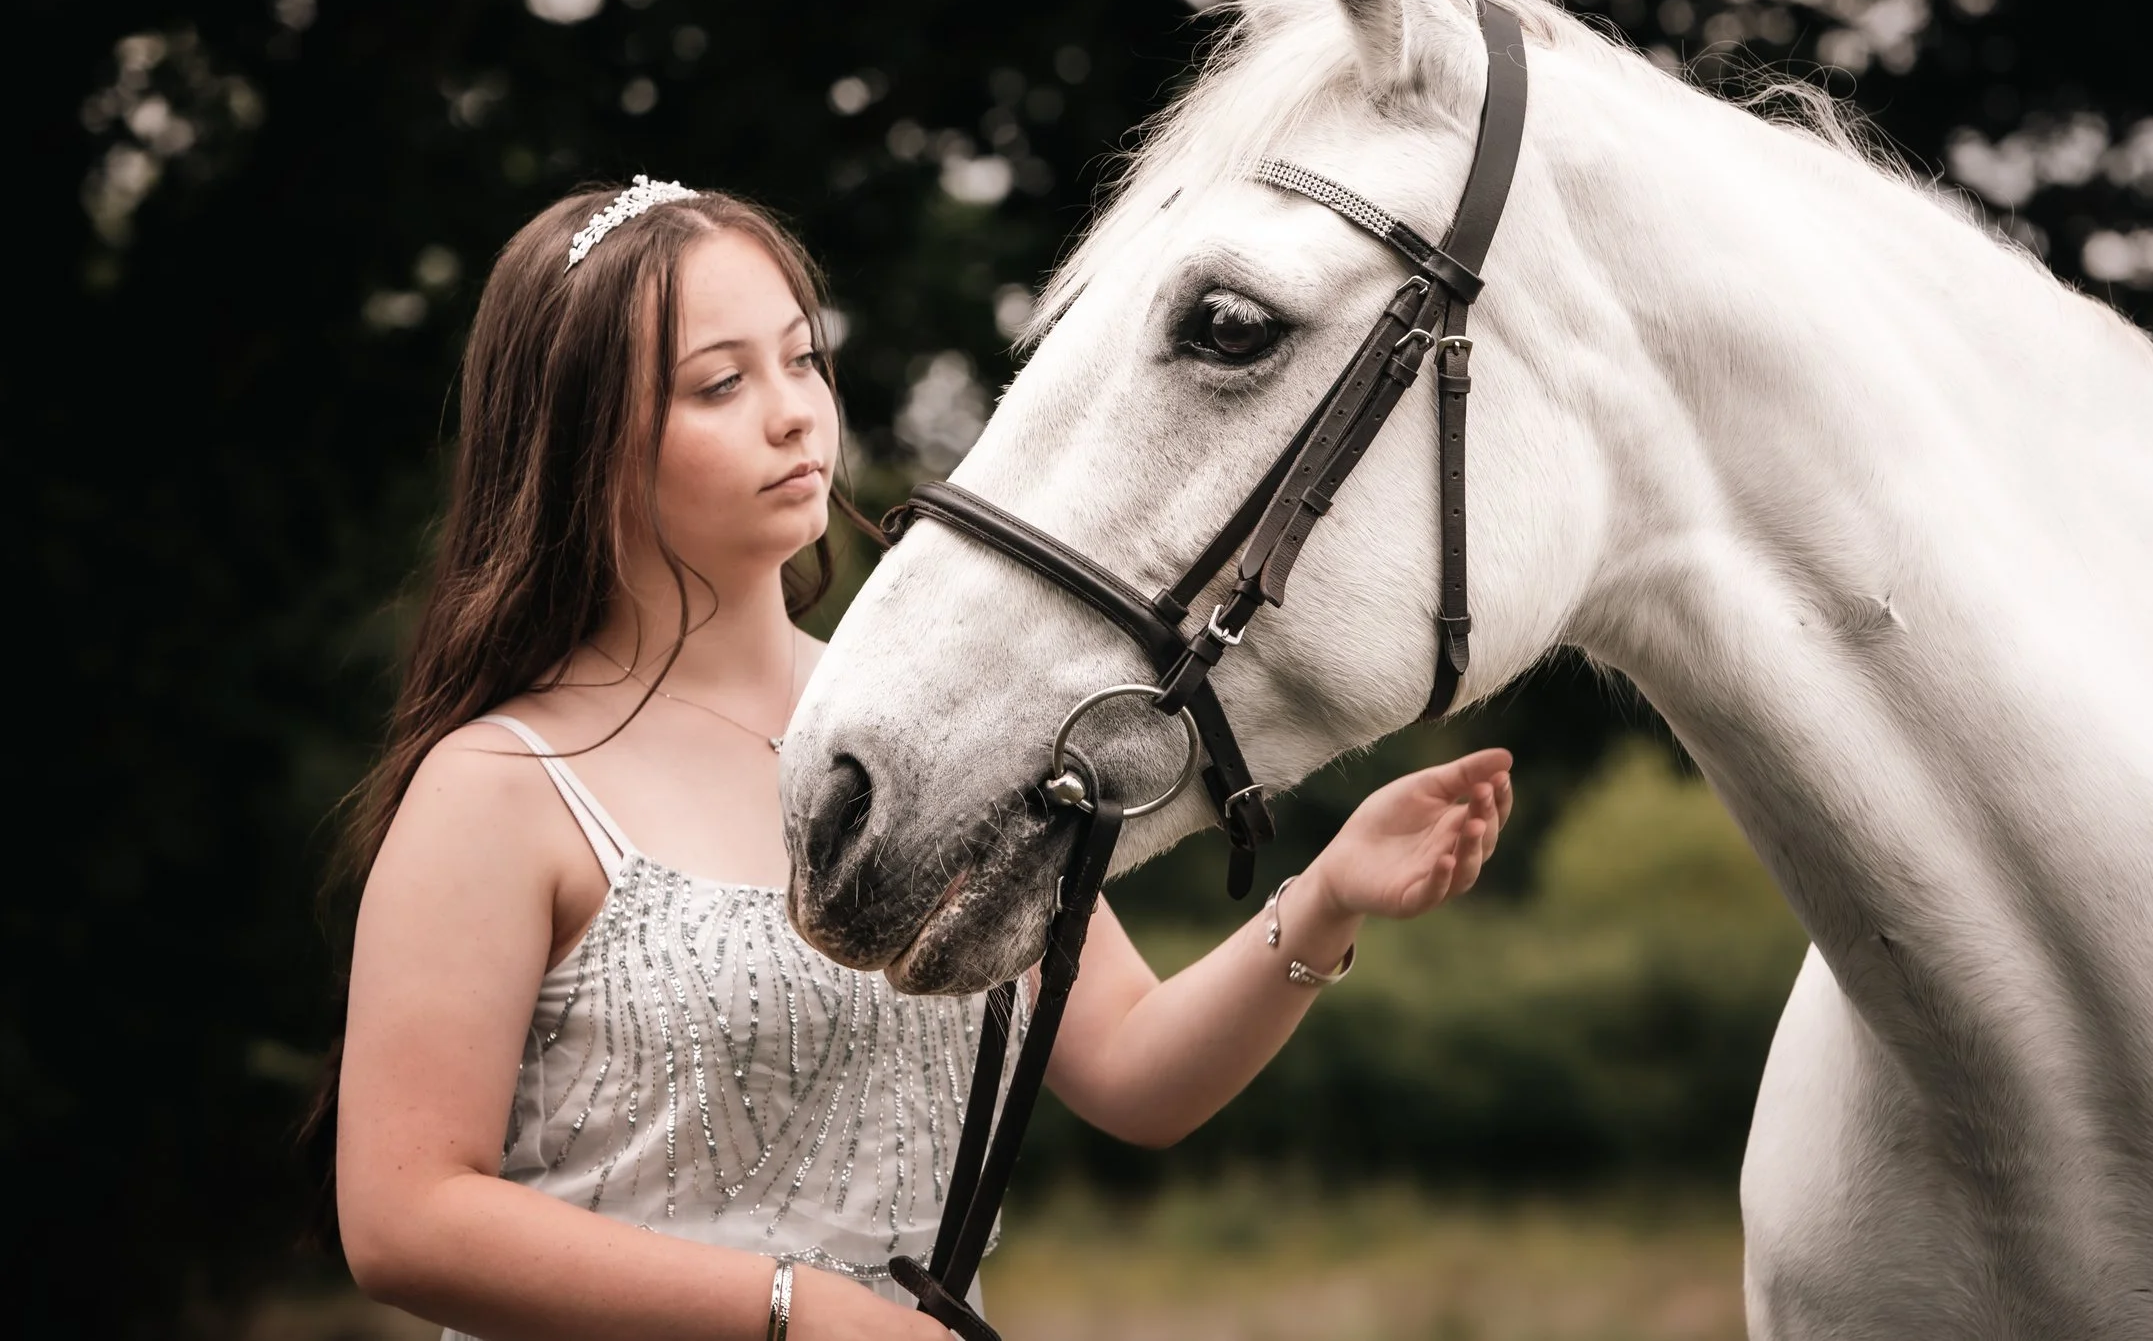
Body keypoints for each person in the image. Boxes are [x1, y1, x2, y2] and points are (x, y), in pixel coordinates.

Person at [328, 179, 1515, 1340]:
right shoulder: (503, 780)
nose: (794, 412)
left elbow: (1131, 1069)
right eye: (720, 384)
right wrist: (793, 1312)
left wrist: (1324, 899)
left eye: (802, 360)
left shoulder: (938, 733)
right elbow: (404, 1217)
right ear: (581, 441)